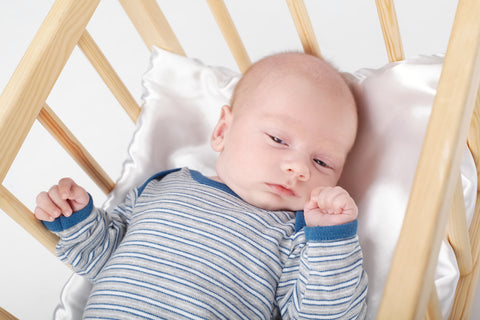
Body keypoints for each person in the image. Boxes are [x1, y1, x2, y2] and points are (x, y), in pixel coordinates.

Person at [35, 52, 367, 319]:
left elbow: (324, 313)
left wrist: (331, 241)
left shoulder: (298, 238)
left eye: (322, 162)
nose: (299, 169)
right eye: (278, 139)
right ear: (223, 131)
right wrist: (78, 219)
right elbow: (101, 257)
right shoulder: (163, 187)